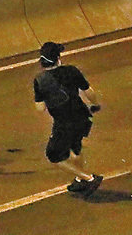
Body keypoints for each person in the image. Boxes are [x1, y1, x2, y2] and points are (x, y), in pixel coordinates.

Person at [33, 41, 103, 197]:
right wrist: (95, 104)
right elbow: (89, 91)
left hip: (63, 123)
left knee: (54, 155)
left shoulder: (40, 81)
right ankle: (79, 179)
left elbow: (40, 108)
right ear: (58, 58)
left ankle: (89, 178)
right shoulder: (72, 71)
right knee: (75, 148)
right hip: (82, 117)